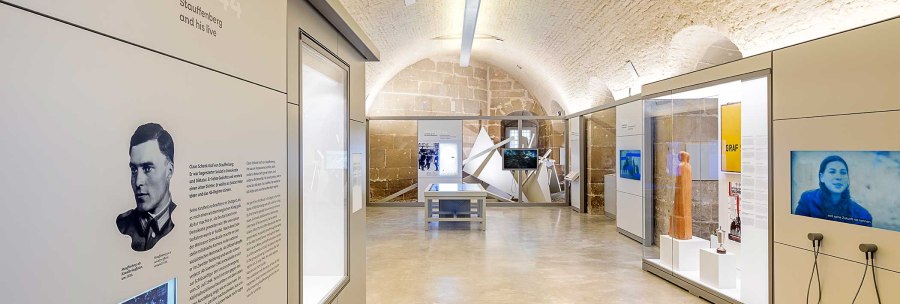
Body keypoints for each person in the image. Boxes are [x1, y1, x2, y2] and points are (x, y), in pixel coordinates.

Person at [117, 123, 177, 251]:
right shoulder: (122, 225)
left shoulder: (182, 218)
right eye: (134, 170)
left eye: (147, 168)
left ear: (170, 170)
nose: (138, 181)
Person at [794, 155, 872, 227]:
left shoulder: (863, 215)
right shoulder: (807, 200)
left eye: (843, 173)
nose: (838, 177)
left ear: (848, 179)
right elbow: (798, 228)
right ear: (822, 177)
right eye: (832, 172)